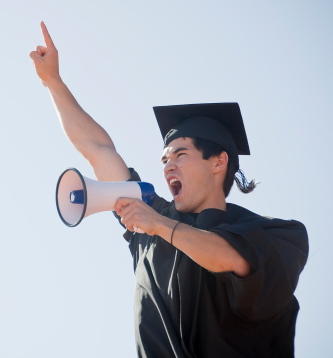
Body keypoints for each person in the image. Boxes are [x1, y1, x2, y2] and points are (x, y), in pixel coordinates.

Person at [30, 22, 309, 358]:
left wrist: (159, 225)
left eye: (180, 155)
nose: (167, 166)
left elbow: (231, 257)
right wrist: (52, 81)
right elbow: (98, 148)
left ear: (219, 162)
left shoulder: (278, 234)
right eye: (164, 159)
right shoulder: (151, 218)